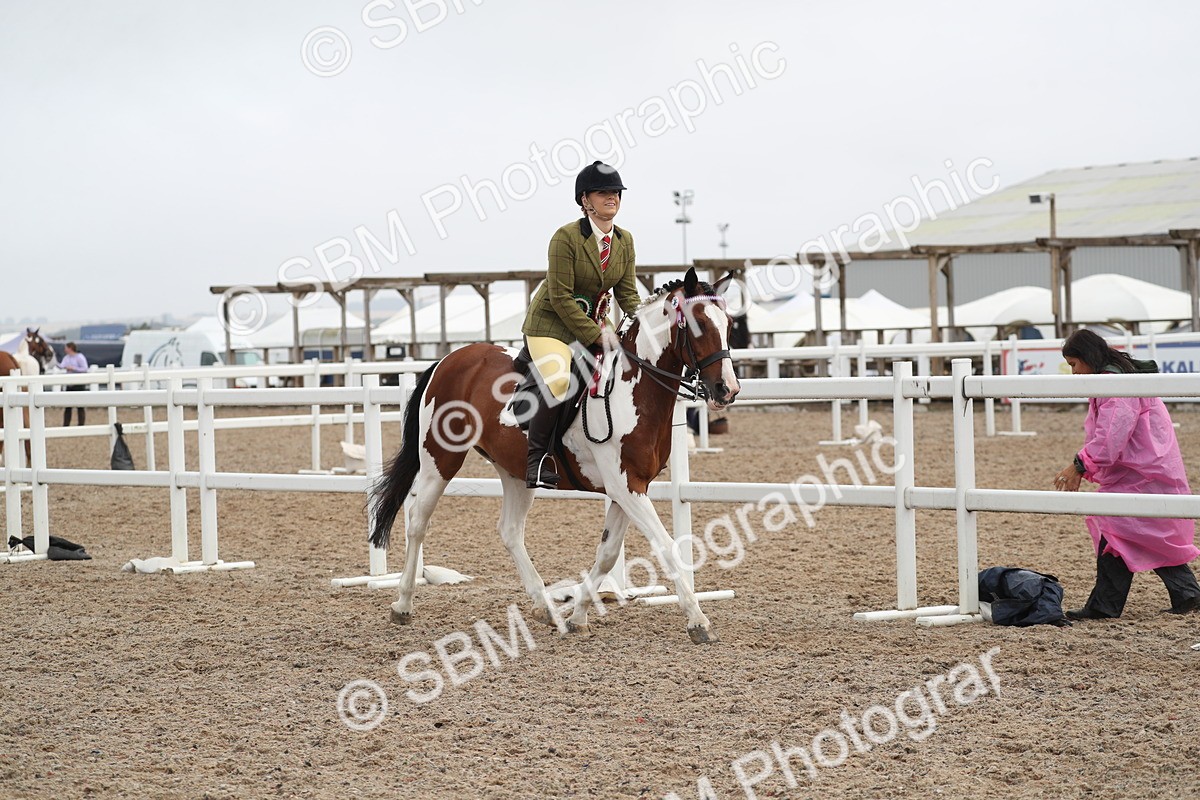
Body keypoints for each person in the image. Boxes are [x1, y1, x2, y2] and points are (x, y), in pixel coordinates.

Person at [1054, 329, 1200, 619]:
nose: (1074, 373)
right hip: (1145, 467)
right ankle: (1186, 594)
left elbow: (1110, 439)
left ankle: (1106, 605)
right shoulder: (1118, 378)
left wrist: (1079, 465)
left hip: (1141, 471)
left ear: (1088, 358)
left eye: (1074, 364)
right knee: (1141, 530)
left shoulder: (1114, 384)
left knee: (1120, 525)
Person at [520, 161, 641, 488]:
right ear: (585, 200)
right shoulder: (566, 237)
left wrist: (645, 322)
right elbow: (560, 297)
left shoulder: (625, 241)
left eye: (616, 192)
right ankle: (538, 459)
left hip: (594, 326)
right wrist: (596, 336)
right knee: (560, 381)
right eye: (603, 193)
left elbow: (627, 293)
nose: (612, 198)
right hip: (551, 326)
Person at [60, 342, 89, 426]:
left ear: (70, 348)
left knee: (80, 406)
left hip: (78, 384)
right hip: (70, 384)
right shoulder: (66, 358)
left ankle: (81, 424)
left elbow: (85, 368)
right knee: (68, 406)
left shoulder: (80, 357)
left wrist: (73, 368)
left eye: (66, 348)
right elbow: (62, 365)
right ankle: (66, 425)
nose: (65, 349)